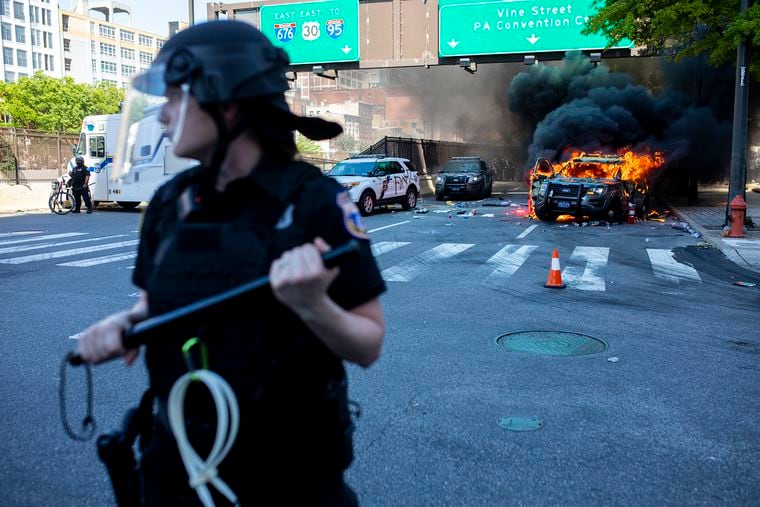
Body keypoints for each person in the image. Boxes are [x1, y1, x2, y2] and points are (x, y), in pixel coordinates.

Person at [76, 20, 386, 506]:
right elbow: (152, 306)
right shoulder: (168, 203)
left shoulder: (316, 201)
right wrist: (123, 324)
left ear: (228, 101)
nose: (162, 117)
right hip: (177, 468)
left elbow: (369, 344)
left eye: (176, 98)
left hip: (291, 479)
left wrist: (313, 306)